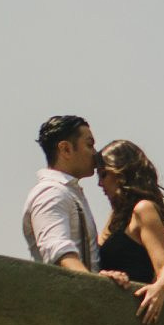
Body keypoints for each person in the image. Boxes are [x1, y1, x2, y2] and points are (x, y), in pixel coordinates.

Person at [21, 115, 128, 291]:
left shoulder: (69, 193)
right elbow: (58, 250)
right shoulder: (52, 193)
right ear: (66, 149)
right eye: (89, 144)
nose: (95, 153)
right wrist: (94, 285)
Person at [96, 139, 164, 325]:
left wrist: (160, 288)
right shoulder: (116, 216)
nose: (100, 184)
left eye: (103, 175)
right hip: (109, 312)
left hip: (134, 315)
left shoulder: (143, 209)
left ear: (120, 172)